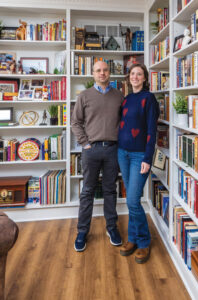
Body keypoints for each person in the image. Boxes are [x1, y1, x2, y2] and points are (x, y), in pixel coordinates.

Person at [71, 61, 124, 252]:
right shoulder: (84, 96)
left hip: (112, 150)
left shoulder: (118, 95)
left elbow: (124, 122)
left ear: (109, 73)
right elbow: (75, 122)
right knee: (88, 192)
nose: (102, 73)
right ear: (93, 73)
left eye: (105, 70)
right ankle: (82, 232)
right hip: (91, 150)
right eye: (98, 70)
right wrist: (85, 143)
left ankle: (112, 228)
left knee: (110, 190)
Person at [118, 63, 159, 263]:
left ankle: (143, 242)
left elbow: (152, 131)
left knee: (133, 200)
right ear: (129, 77)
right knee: (130, 199)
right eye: (132, 74)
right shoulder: (126, 99)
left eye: (139, 74)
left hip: (138, 156)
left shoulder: (148, 99)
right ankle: (132, 238)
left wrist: (147, 158)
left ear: (144, 78)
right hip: (122, 153)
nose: (135, 77)